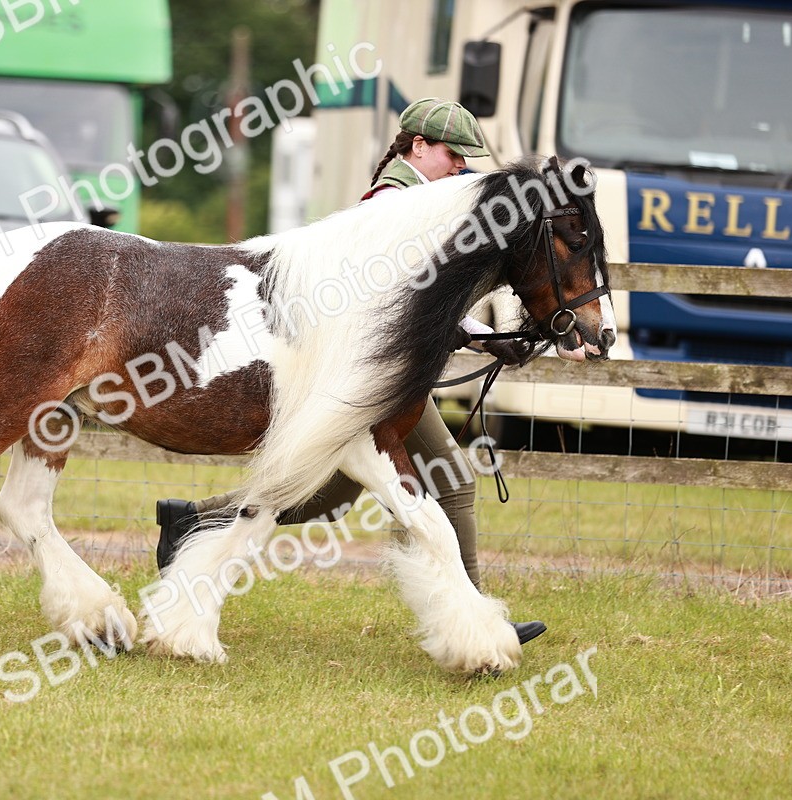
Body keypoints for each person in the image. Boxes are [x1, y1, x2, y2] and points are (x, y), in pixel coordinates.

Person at [155, 98, 545, 646]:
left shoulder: (418, 202)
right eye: (453, 154)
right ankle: (477, 619)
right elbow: (396, 302)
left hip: (374, 378)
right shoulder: (392, 203)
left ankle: (191, 520)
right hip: (364, 381)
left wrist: (487, 337)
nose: (461, 166)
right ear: (418, 147)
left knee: (329, 498)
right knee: (450, 483)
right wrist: (480, 335)